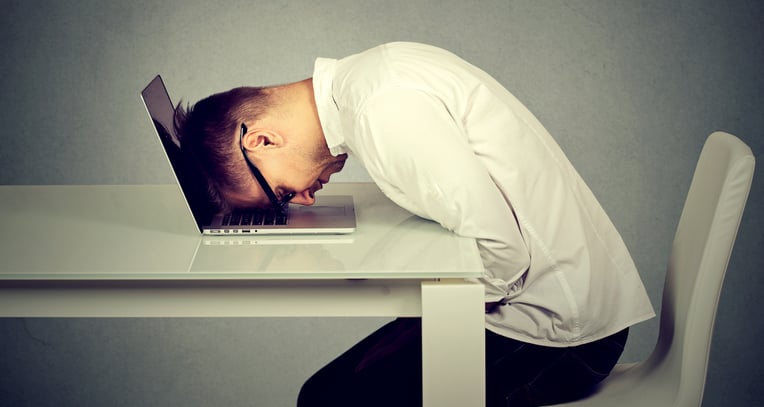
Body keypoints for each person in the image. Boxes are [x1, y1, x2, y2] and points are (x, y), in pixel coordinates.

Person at [174, 42, 655, 407]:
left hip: (560, 331)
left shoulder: (384, 111)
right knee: (322, 394)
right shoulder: (368, 80)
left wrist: (396, 291)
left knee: (331, 401)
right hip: (541, 305)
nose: (301, 199)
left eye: (279, 194)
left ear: (260, 139)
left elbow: (503, 255)